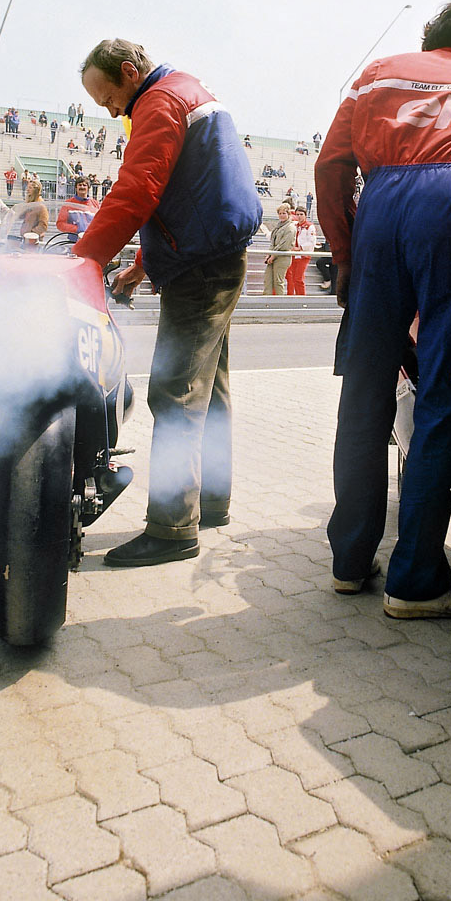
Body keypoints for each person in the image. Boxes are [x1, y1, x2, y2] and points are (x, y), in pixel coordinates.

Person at [315, 0, 451, 619]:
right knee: (443, 396)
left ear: (432, 35)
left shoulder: (378, 71)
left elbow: (331, 167)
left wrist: (345, 252)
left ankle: (349, 564)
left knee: (364, 394)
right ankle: (414, 583)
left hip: (380, 207)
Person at [71, 38, 262, 567]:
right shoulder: (187, 91)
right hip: (215, 255)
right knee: (210, 390)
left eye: (109, 98)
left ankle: (173, 529)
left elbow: (138, 188)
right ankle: (212, 502)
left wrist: (85, 260)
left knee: (174, 392)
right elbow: (189, 193)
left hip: (200, 267)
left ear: (129, 72)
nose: (111, 112)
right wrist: (141, 265)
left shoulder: (158, 102)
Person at [262, 204, 296, 295]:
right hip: (273, 255)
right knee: (268, 280)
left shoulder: (290, 227)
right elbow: (273, 241)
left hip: (283, 257)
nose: (281, 215)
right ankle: (266, 300)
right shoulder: (279, 226)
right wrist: (269, 254)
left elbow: (284, 245)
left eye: (284, 213)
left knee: (278, 282)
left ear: (288, 214)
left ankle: (279, 301)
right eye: (280, 213)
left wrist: (273, 256)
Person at [287, 204, 317, 295]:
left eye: (301, 214)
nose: (299, 216)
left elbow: (312, 242)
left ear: (305, 215)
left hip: (303, 255)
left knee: (298, 278)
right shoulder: (294, 225)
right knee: (292, 277)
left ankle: (301, 297)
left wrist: (300, 248)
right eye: (297, 214)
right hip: (293, 255)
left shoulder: (309, 226)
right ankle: (293, 296)